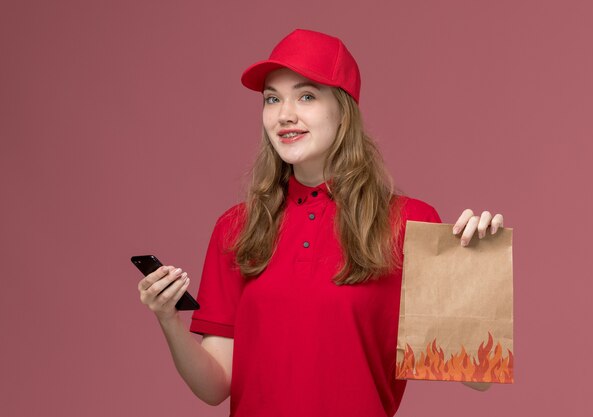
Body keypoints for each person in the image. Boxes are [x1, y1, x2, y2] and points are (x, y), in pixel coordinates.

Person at [137, 29, 504, 417]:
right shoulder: (236, 228)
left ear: (343, 109)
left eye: (306, 96)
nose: (284, 114)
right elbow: (215, 387)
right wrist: (168, 320)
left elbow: (476, 375)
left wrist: (472, 267)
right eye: (272, 99)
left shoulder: (409, 222)